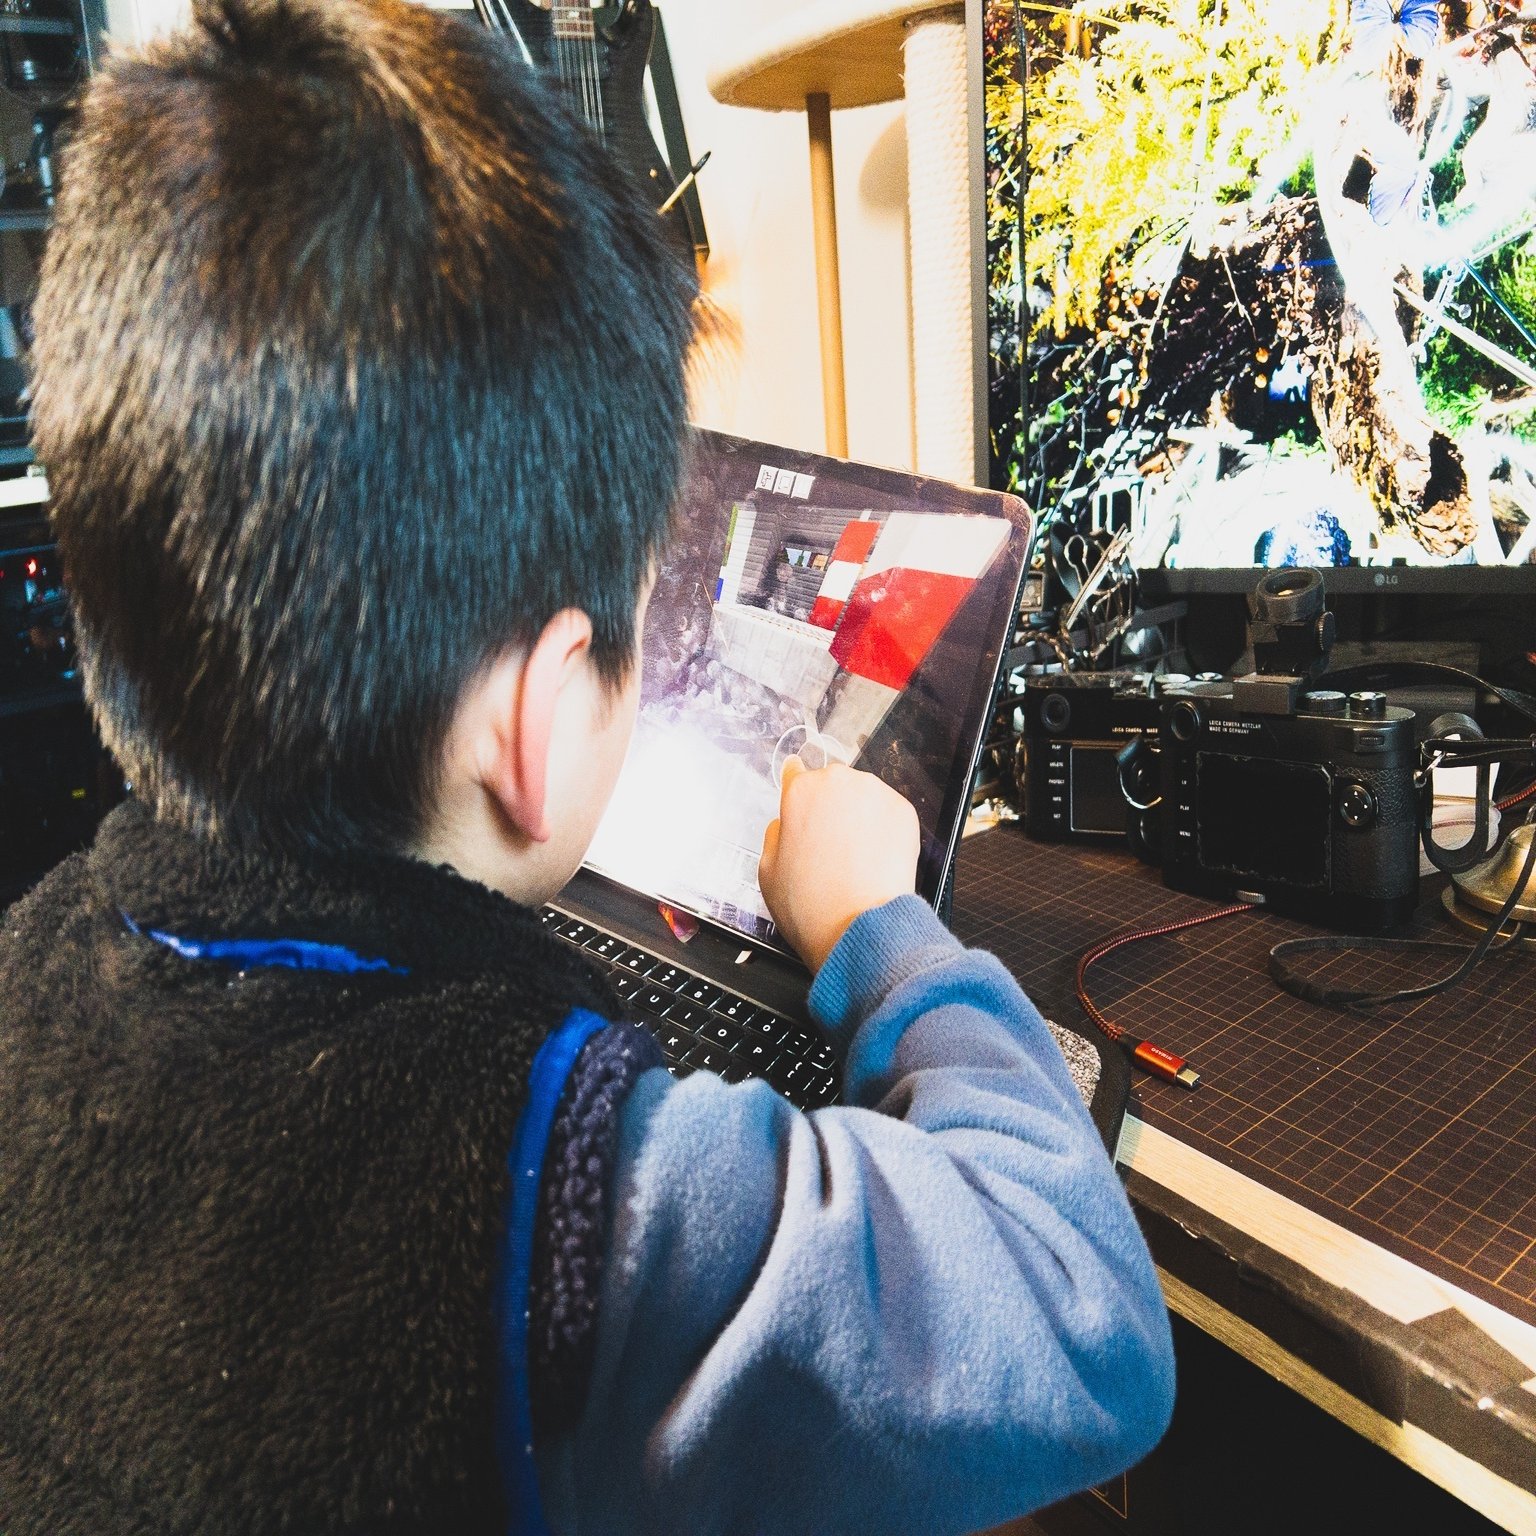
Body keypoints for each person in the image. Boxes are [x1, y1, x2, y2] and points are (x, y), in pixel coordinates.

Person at [0, 0, 1176, 1532]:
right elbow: (1085, 1323)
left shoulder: (35, 973)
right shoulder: (565, 1191)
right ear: (541, 731)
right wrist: (884, 931)